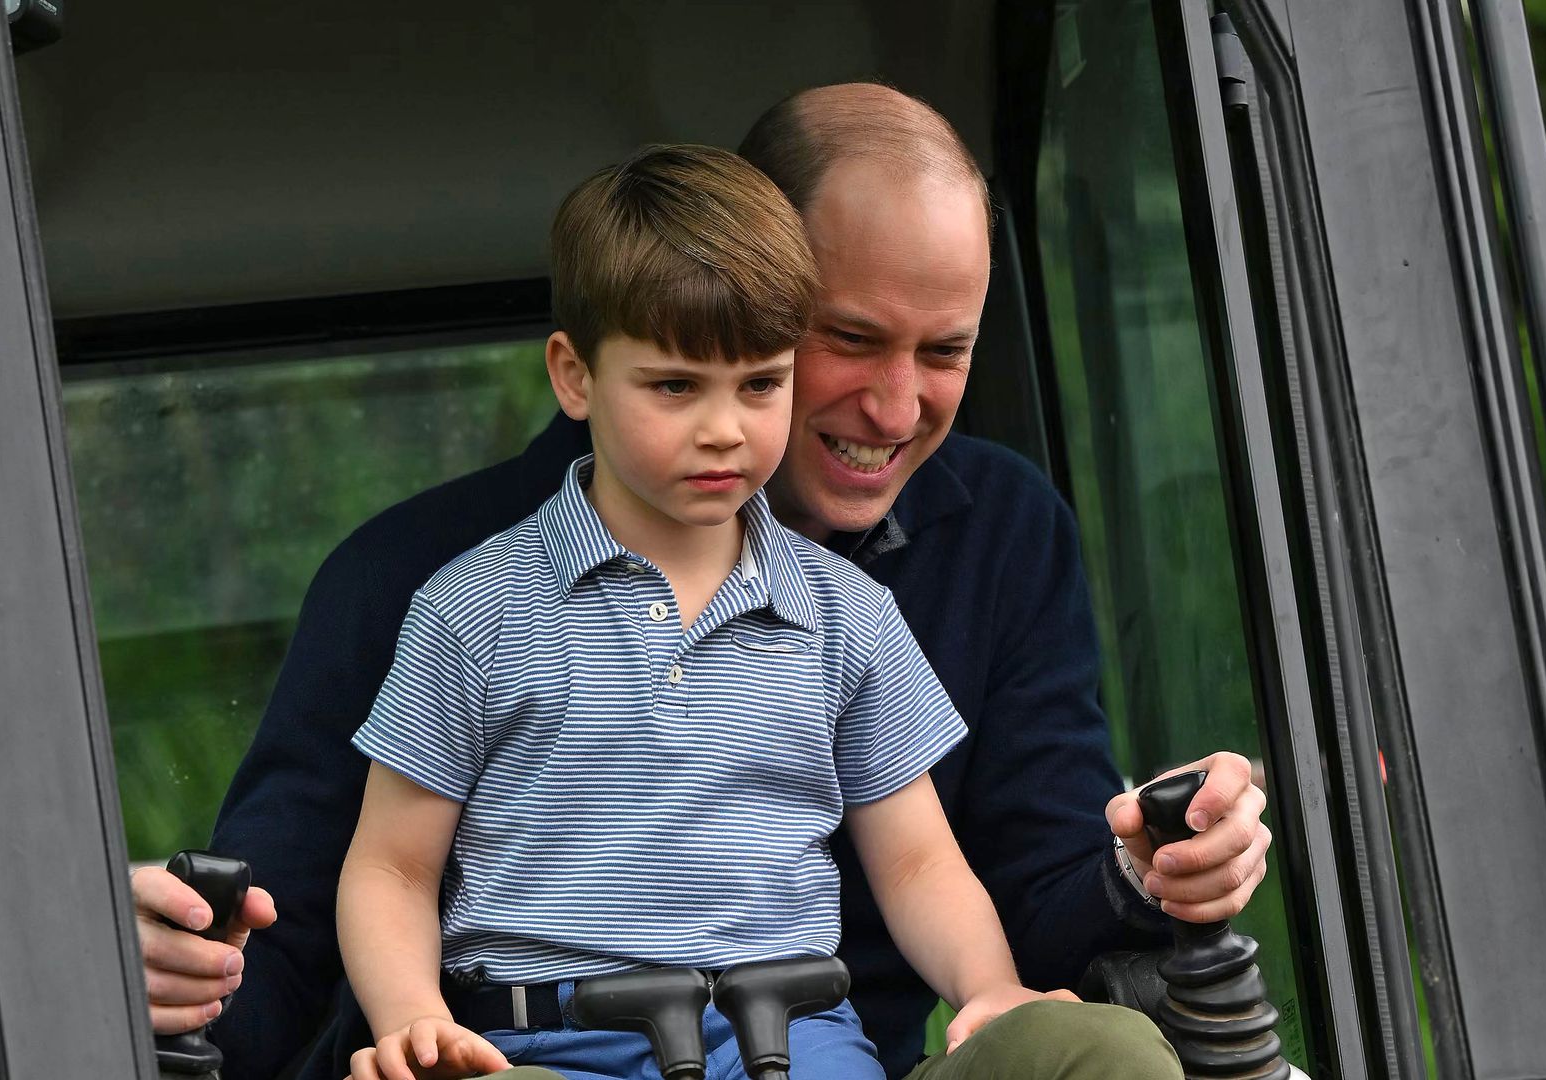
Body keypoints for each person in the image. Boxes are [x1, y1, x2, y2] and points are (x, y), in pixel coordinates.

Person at [134, 84, 1270, 1080]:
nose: (892, 407)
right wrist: (170, 967)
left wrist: (1146, 864)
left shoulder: (970, 552)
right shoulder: (434, 588)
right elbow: (306, 920)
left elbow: (1000, 884)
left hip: (817, 1048)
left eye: (943, 353)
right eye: (853, 338)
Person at [334, 142, 1093, 1080]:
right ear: (575, 377)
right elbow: (392, 868)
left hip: (793, 1036)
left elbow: (918, 866)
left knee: (1096, 1052)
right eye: (676, 387)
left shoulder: (848, 616)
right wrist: (410, 1015)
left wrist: (992, 990)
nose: (725, 428)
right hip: (547, 1044)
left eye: (762, 385)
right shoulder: (472, 608)